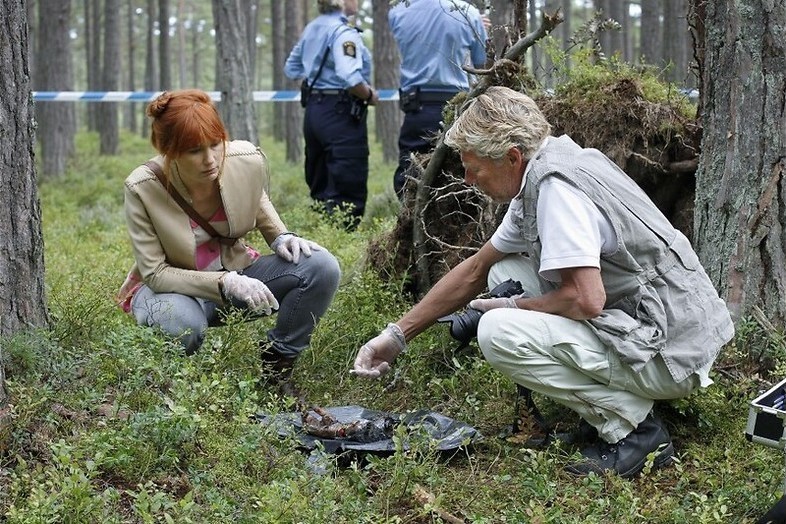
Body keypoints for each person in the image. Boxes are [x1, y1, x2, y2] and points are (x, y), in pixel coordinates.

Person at [352, 86, 735, 478]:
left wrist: (512, 308)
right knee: (505, 273)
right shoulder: (549, 164)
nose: (468, 179)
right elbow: (476, 270)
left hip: (671, 352)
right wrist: (397, 335)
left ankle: (635, 428)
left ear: (511, 157)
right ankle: (609, 402)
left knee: (498, 332)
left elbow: (587, 301)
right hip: (662, 325)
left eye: (475, 168)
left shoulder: (556, 191)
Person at [117, 89, 341, 397]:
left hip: (237, 274)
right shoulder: (143, 187)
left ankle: (278, 367)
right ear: (169, 151)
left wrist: (280, 236)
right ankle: (168, 390)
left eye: (215, 144)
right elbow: (155, 272)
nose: (210, 160)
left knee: (320, 265)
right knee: (180, 323)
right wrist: (224, 282)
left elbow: (255, 195)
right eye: (194, 151)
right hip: (173, 290)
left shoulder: (242, 159)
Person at [284, 0, 378, 230]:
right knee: (348, 173)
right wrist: (369, 95)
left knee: (320, 175)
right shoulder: (344, 33)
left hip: (314, 111)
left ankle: (323, 231)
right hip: (341, 112)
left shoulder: (312, 28)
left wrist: (317, 74)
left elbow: (291, 68)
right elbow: (350, 76)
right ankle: (344, 233)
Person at [388, 0, 488, 197]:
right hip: (457, 107)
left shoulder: (398, 12)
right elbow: (481, 62)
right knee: (458, 171)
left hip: (417, 106)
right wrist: (475, 27)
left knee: (410, 170)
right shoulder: (468, 12)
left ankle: (409, 220)